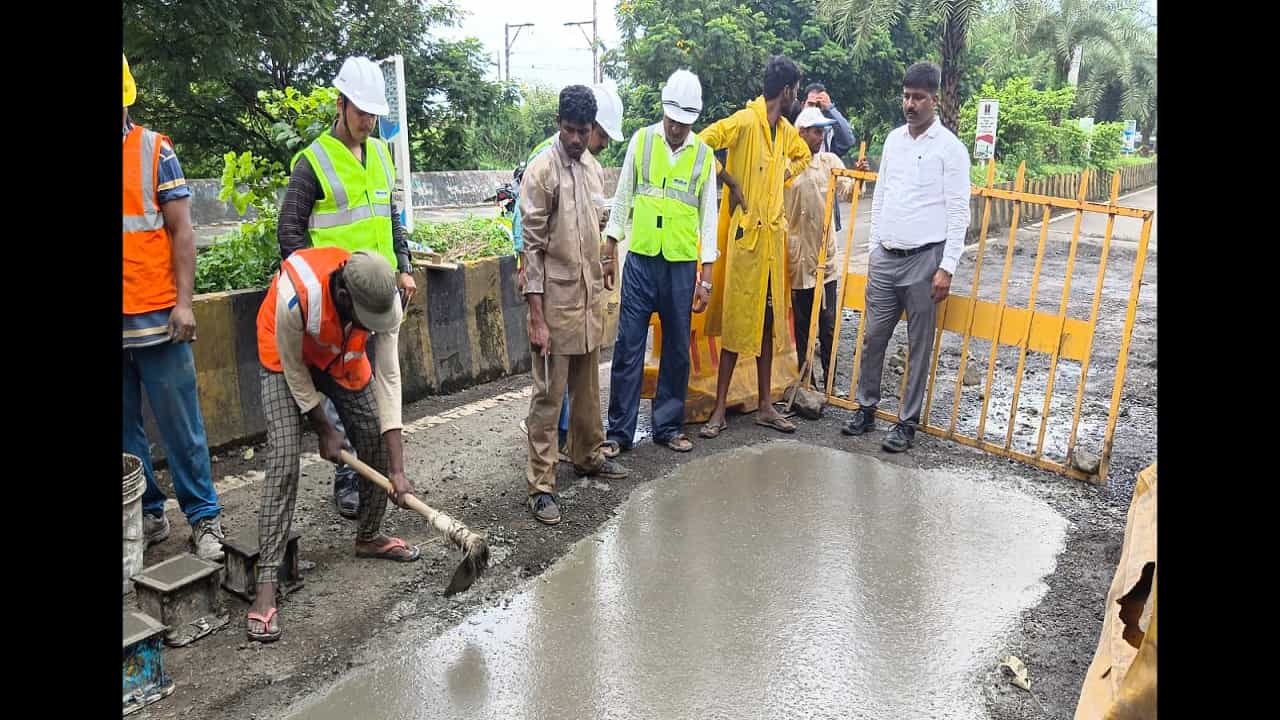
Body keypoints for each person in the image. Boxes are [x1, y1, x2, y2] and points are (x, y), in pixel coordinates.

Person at [250, 248, 419, 642]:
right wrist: (324, 428)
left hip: (341, 355)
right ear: (345, 298)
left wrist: (396, 469)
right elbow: (294, 371)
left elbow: (389, 380)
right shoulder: (298, 294)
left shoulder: (384, 299)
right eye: (368, 320)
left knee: (373, 436)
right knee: (285, 459)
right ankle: (267, 581)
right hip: (285, 355)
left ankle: (369, 536)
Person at [276, 56, 417, 520]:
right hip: (340, 304)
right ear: (341, 104)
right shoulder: (313, 162)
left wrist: (404, 265)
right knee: (344, 385)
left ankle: (390, 469)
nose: (368, 122)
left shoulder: (379, 154)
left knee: (389, 379)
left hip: (381, 294)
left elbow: (391, 216)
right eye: (361, 112)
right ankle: (348, 477)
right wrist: (314, 289)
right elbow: (290, 235)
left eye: (374, 114)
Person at [122, 54, 227, 562]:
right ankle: (147, 511)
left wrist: (185, 304)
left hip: (158, 316)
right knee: (123, 430)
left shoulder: (152, 149)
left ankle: (204, 517)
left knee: (181, 424)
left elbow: (183, 231)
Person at [841, 62, 971, 453]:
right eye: (906, 96)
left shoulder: (950, 149)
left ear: (935, 100)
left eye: (918, 97)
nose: (910, 104)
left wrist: (946, 267)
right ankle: (865, 409)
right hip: (887, 257)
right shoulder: (894, 140)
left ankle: (906, 422)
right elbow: (881, 196)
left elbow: (958, 211)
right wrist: (877, 245)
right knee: (873, 338)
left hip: (924, 261)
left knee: (918, 345)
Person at [520, 85, 629, 526]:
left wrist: (606, 262)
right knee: (548, 395)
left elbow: (597, 226)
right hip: (555, 303)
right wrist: (536, 316)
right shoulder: (541, 170)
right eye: (570, 130)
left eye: (584, 132)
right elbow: (531, 249)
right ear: (558, 124)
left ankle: (588, 455)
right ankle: (541, 484)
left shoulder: (592, 169)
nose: (577, 139)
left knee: (587, 389)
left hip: (587, 300)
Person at [603, 69, 719, 454]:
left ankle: (667, 427)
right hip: (641, 260)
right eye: (671, 120)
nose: (675, 129)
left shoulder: (703, 155)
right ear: (664, 112)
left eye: (683, 123)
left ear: (693, 120)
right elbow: (622, 197)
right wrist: (610, 245)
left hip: (681, 265)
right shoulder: (642, 140)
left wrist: (706, 278)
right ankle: (619, 432)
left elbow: (709, 219)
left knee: (675, 350)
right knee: (629, 346)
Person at [697, 55, 812, 439]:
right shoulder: (746, 122)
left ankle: (764, 406)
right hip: (747, 240)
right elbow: (702, 145)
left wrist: (784, 175)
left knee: (765, 323)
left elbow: (804, 156)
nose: (796, 97)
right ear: (787, 90)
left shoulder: (784, 131)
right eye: (796, 91)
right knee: (735, 324)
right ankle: (717, 410)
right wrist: (729, 180)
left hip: (771, 244)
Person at [786, 106, 855, 389]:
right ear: (801, 133)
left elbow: (849, 190)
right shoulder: (787, 165)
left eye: (822, 132)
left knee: (827, 322)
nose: (820, 137)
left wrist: (857, 175)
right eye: (816, 132)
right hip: (798, 257)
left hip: (825, 257)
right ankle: (806, 382)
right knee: (802, 325)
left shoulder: (829, 161)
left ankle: (830, 381)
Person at [802, 83, 856, 159]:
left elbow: (848, 142)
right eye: (811, 104)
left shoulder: (828, 135)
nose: (814, 110)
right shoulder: (791, 128)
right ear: (802, 105)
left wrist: (830, 108)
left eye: (818, 105)